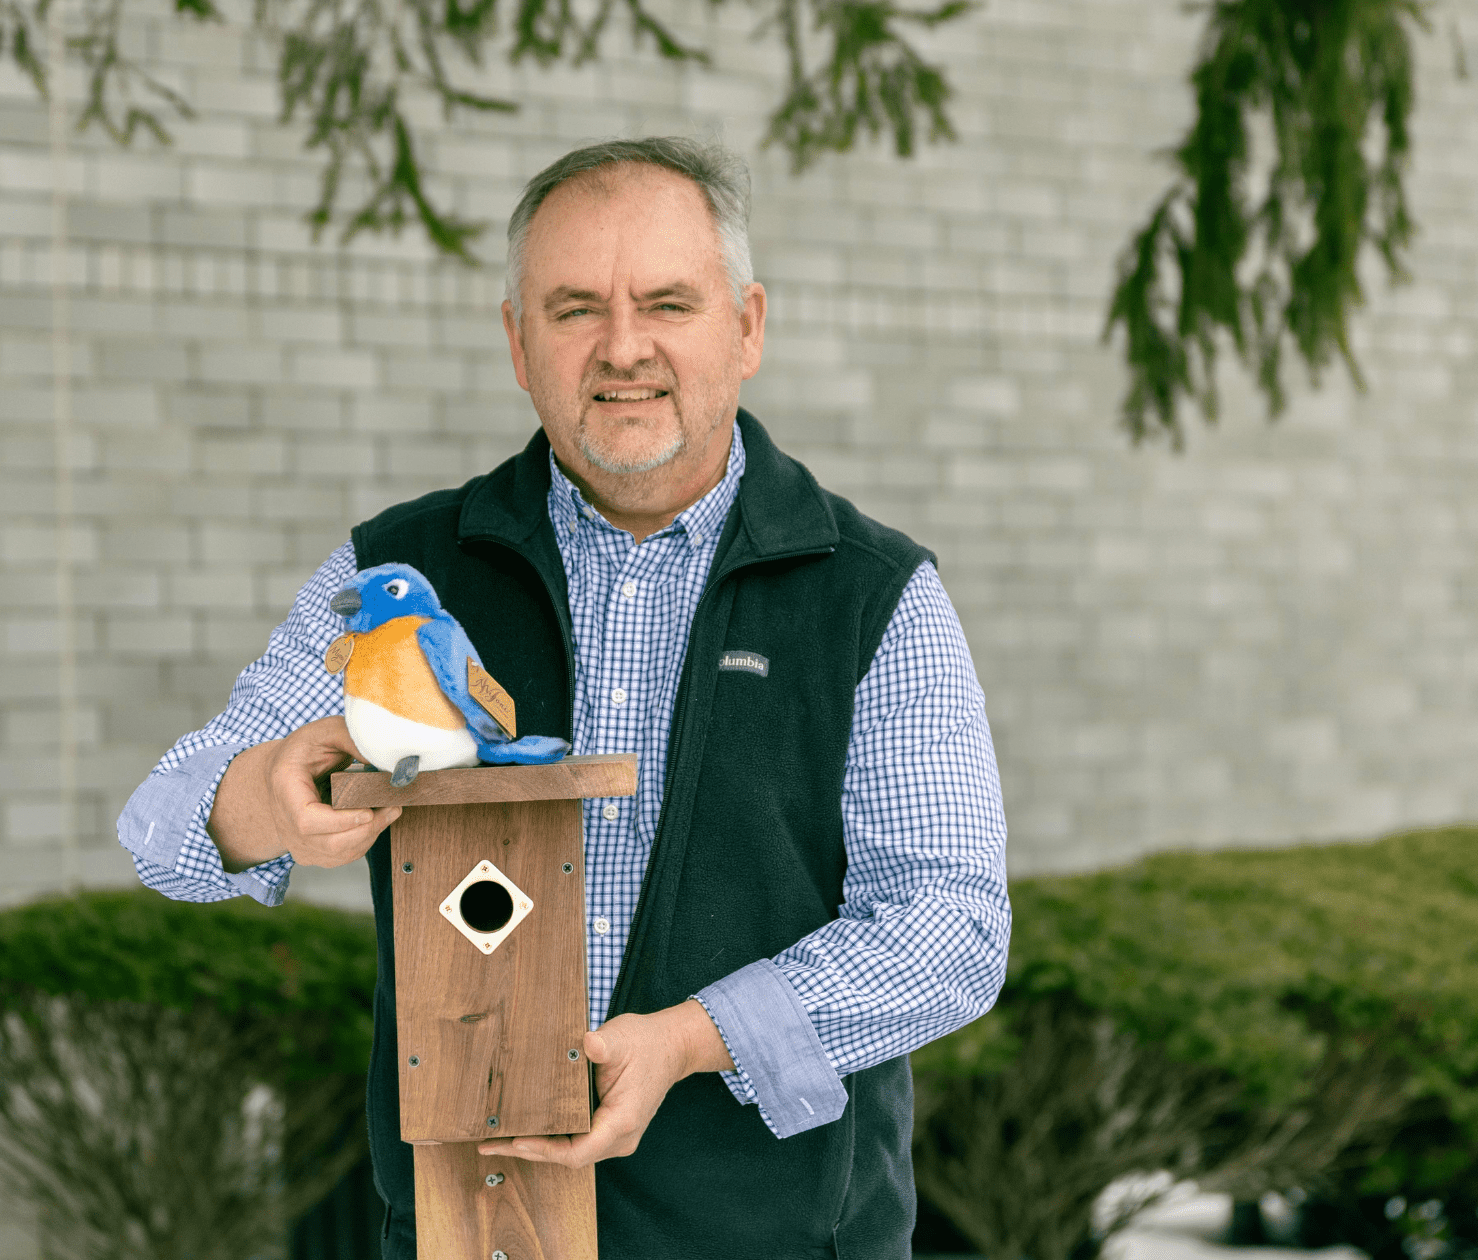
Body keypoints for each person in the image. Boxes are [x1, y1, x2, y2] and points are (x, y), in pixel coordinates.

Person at [118, 136, 1010, 1258]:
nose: (621, 347)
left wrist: (697, 1038)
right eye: (575, 307)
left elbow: (953, 932)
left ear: (746, 327)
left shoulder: (874, 598)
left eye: (668, 304)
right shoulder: (401, 578)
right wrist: (264, 800)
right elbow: (161, 823)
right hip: (465, 1235)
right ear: (516, 341)